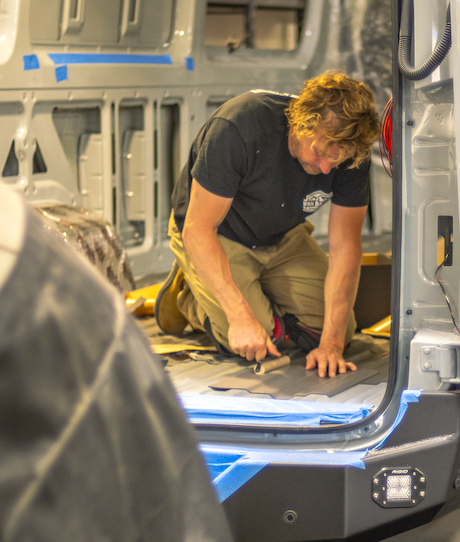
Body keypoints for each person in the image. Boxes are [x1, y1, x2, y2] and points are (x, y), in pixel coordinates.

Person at [156, 72, 380, 378]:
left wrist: (331, 345)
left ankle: (254, 297)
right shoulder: (238, 127)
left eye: (337, 160)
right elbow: (198, 229)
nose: (327, 168)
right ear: (300, 123)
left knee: (340, 330)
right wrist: (239, 317)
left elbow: (345, 248)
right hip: (219, 234)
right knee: (249, 339)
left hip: (283, 234)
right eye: (320, 152)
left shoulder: (351, 154)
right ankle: (191, 296)